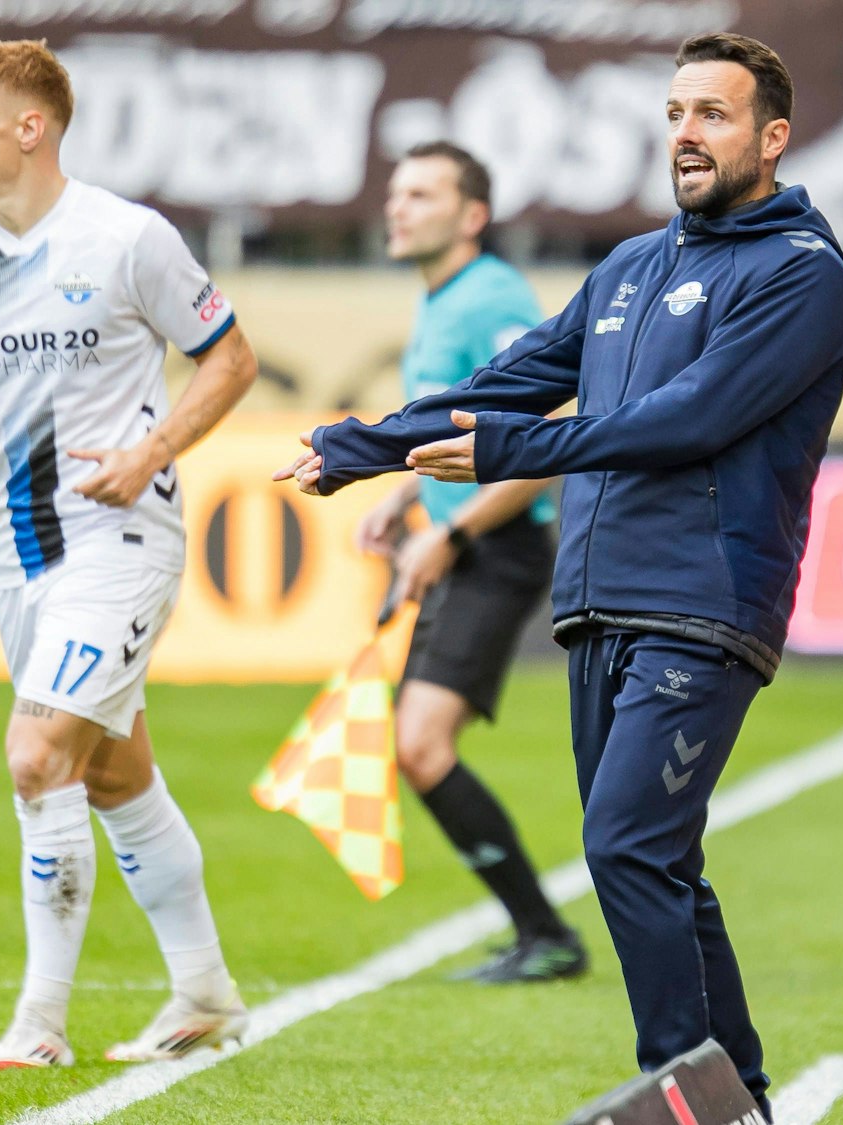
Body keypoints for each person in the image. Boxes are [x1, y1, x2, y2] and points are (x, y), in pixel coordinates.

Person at [278, 32, 843, 1117]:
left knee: (624, 846)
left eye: (713, 115)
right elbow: (508, 379)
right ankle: (741, 1102)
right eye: (676, 112)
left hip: (706, 601)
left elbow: (689, 422)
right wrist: (365, 445)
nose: (685, 133)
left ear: (771, 139)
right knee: (660, 863)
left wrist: (509, 453)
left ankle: (678, 1094)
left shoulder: (801, 275)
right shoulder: (630, 267)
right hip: (597, 603)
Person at [0, 39, 259, 1068]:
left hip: (120, 537)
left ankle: (38, 1024)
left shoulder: (127, 238)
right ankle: (206, 993)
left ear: (27, 128)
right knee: (114, 775)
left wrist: (151, 451)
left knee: (36, 754)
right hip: (16, 551)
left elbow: (231, 356)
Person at [354, 142, 587, 983]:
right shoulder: (444, 296)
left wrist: (449, 536)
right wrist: (407, 499)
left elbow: (540, 441)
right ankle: (540, 930)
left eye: (421, 193)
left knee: (419, 745)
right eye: (395, 191)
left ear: (472, 216)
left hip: (496, 549)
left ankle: (547, 934)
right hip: (463, 546)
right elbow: (463, 436)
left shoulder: (492, 296)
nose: (398, 206)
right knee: (416, 748)